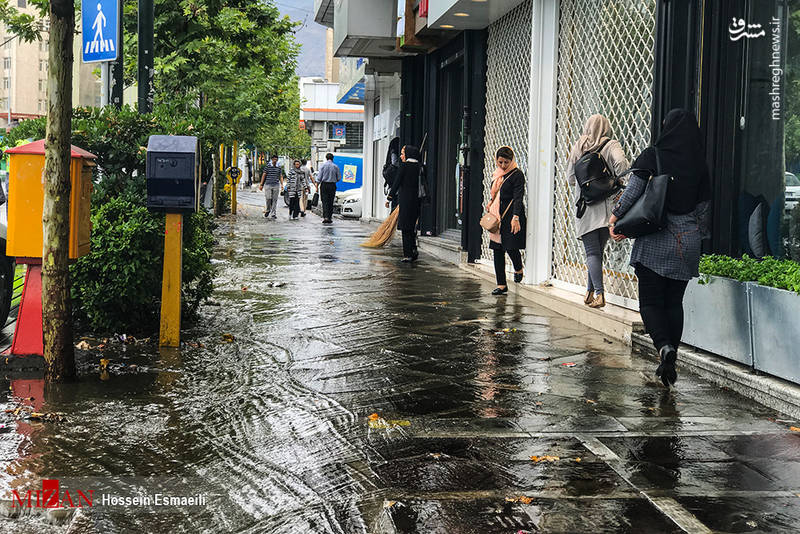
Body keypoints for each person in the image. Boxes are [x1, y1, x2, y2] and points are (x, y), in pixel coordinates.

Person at [609, 108, 711, 388]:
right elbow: (703, 210)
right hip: (687, 239)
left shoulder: (653, 154)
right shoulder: (699, 164)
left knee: (651, 302)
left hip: (655, 237)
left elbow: (633, 192)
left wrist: (616, 217)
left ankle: (664, 347)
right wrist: (695, 236)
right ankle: (671, 357)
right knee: (673, 303)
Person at [567, 114, 630, 308]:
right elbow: (622, 164)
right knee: (596, 253)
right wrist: (620, 181)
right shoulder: (611, 145)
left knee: (592, 253)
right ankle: (590, 292)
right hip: (607, 206)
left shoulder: (579, 146)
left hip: (586, 206)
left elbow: (570, 177)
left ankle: (599, 295)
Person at [486, 146, 526, 294]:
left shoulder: (517, 175)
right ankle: (501, 284)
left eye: (506, 162)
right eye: (500, 162)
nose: (503, 165)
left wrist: (516, 217)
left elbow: (518, 197)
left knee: (510, 246)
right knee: (497, 249)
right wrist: (491, 203)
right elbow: (495, 194)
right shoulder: (497, 174)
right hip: (497, 216)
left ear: (512, 160)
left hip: (510, 216)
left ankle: (518, 267)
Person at [386, 145, 422, 262]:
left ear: (408, 154)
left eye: (402, 153)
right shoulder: (421, 167)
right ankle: (414, 249)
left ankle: (408, 254)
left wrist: (389, 197)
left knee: (405, 228)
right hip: (417, 201)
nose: (401, 156)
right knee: (412, 227)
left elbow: (396, 183)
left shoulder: (404, 166)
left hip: (406, 201)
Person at [258, 155, 285, 219]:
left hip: (276, 185)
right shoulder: (268, 166)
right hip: (268, 184)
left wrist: (282, 185)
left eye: (276, 159)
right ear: (272, 159)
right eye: (274, 159)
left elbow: (280, 176)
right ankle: (268, 210)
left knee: (275, 199)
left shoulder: (279, 167)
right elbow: (264, 175)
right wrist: (261, 184)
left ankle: (273, 213)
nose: (275, 161)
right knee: (268, 198)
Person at [316, 153, 340, 224]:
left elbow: (319, 178)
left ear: (326, 158)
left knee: (325, 201)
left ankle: (325, 217)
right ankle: (329, 217)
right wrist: (333, 180)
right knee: (331, 201)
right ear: (332, 158)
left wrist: (317, 186)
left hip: (324, 185)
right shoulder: (336, 166)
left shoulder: (322, 166)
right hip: (332, 185)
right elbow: (339, 178)